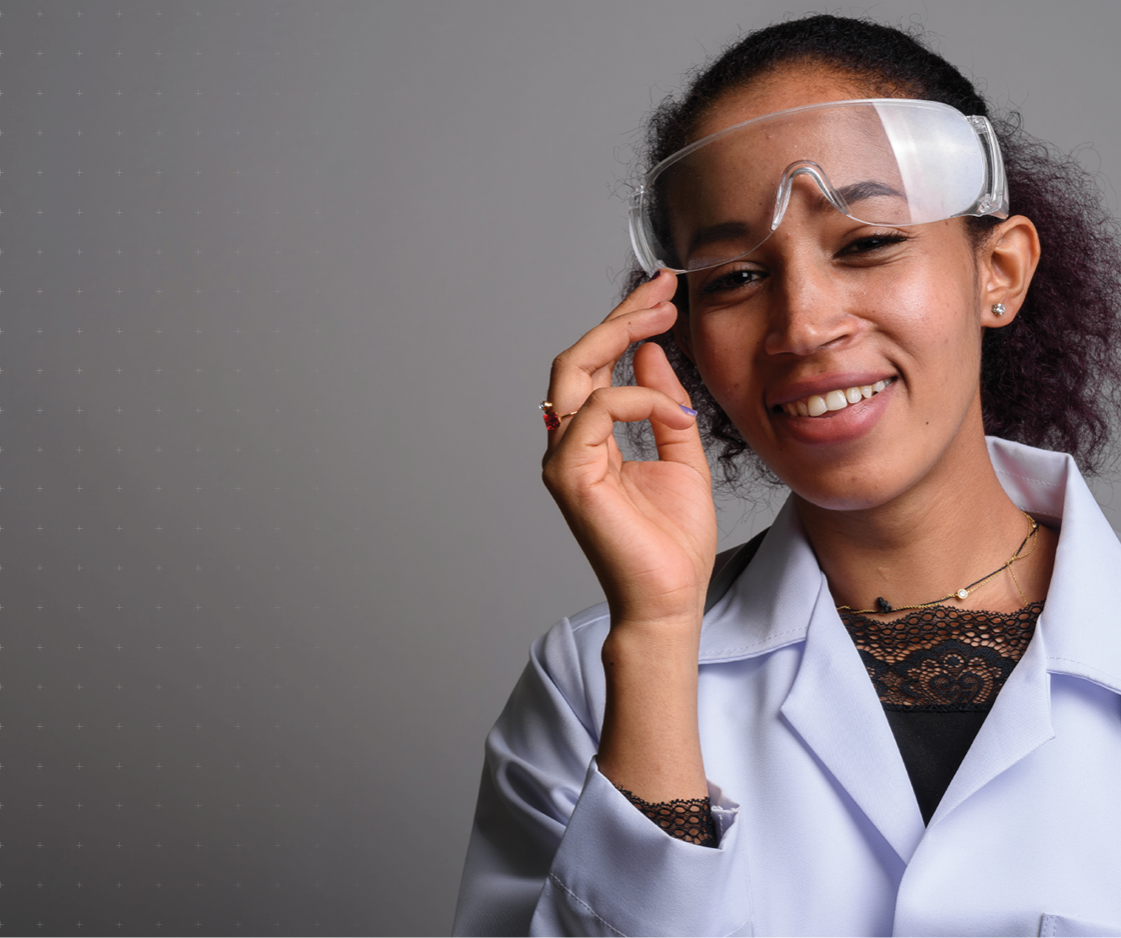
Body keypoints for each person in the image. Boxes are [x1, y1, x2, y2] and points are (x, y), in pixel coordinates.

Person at [452, 14, 1121, 938]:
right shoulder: (592, 683)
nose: (803, 325)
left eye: (867, 243)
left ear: (998, 270)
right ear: (680, 335)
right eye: (731, 277)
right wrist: (654, 642)